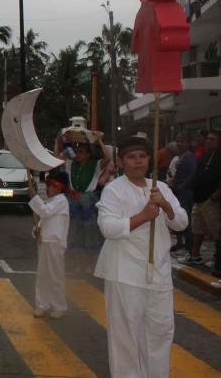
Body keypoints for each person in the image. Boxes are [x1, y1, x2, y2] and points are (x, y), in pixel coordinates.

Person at [94, 135, 188, 378]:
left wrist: (166, 206)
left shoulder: (161, 187)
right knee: (125, 337)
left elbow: (181, 223)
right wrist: (144, 216)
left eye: (142, 157)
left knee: (160, 333)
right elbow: (108, 228)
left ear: (150, 160)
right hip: (124, 273)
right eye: (131, 157)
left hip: (159, 274)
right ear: (122, 162)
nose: (138, 162)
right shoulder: (113, 190)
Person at [55, 137, 111, 272]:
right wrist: (58, 141)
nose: (77, 154)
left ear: (88, 154)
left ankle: (91, 265)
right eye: (77, 151)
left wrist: (99, 141)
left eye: (80, 152)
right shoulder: (70, 163)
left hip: (89, 203)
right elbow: (57, 156)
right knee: (73, 233)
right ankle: (75, 264)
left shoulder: (96, 165)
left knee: (90, 234)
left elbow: (107, 157)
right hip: (73, 201)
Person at [29, 169, 70, 319]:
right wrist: (36, 230)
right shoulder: (51, 201)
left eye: (51, 186)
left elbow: (45, 212)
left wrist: (34, 197)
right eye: (47, 185)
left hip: (55, 243)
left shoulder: (61, 201)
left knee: (55, 275)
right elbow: (43, 220)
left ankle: (59, 306)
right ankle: (42, 304)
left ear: (59, 187)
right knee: (42, 275)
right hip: (45, 242)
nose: (47, 188)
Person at [180, 130, 221, 265]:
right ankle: (195, 254)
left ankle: (218, 258)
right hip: (198, 198)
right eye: (207, 139)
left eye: (212, 139)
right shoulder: (205, 154)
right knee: (197, 228)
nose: (208, 141)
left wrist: (216, 195)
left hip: (211, 199)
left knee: (216, 230)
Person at [168, 133, 196, 253]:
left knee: (186, 218)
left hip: (185, 192)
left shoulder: (189, 156)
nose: (179, 144)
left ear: (188, 143)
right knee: (178, 216)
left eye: (183, 141)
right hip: (178, 191)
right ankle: (180, 243)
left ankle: (189, 246)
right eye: (178, 141)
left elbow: (194, 173)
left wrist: (182, 185)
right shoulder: (180, 156)